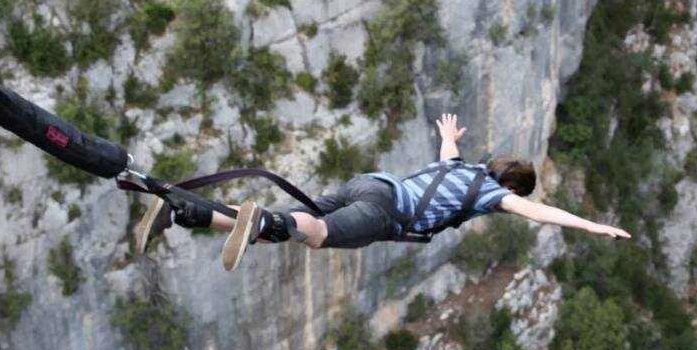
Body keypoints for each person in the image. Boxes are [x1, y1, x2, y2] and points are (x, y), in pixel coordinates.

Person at [148, 113, 631, 270]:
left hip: (370, 183)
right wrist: (592, 225)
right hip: (386, 210)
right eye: (514, 195)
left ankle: (186, 213)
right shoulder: (491, 194)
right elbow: (540, 214)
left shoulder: (460, 167)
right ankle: (265, 220)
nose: (513, 202)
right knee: (314, 234)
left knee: (281, 229)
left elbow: (447, 149)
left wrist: (449, 135)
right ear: (509, 186)